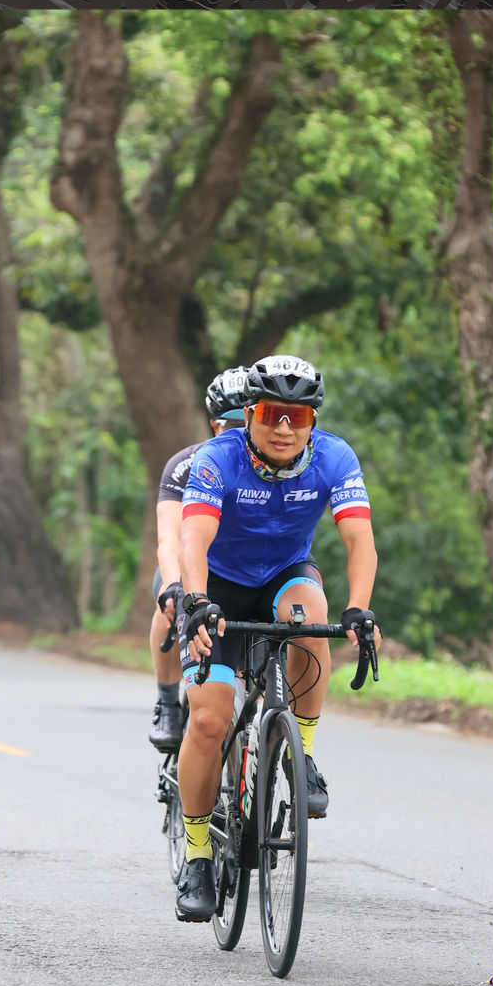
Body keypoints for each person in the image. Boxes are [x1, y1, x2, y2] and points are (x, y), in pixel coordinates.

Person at [174, 354, 380, 922]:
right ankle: (197, 853)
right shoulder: (218, 459)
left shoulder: (334, 457)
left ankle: (302, 755)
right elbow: (193, 541)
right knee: (210, 719)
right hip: (218, 587)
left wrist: (360, 608)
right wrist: (195, 603)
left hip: (284, 577)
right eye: (271, 414)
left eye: (299, 416)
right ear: (249, 414)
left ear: (313, 421)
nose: (284, 428)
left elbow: (360, 541)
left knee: (312, 616)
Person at [148, 368, 247, 750]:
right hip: (192, 562)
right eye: (229, 425)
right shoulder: (187, 464)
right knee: (170, 602)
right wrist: (174, 586)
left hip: (247, 570)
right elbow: (169, 537)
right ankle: (167, 702)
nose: (238, 433)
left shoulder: (277, 465)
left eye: (246, 423)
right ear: (213, 425)